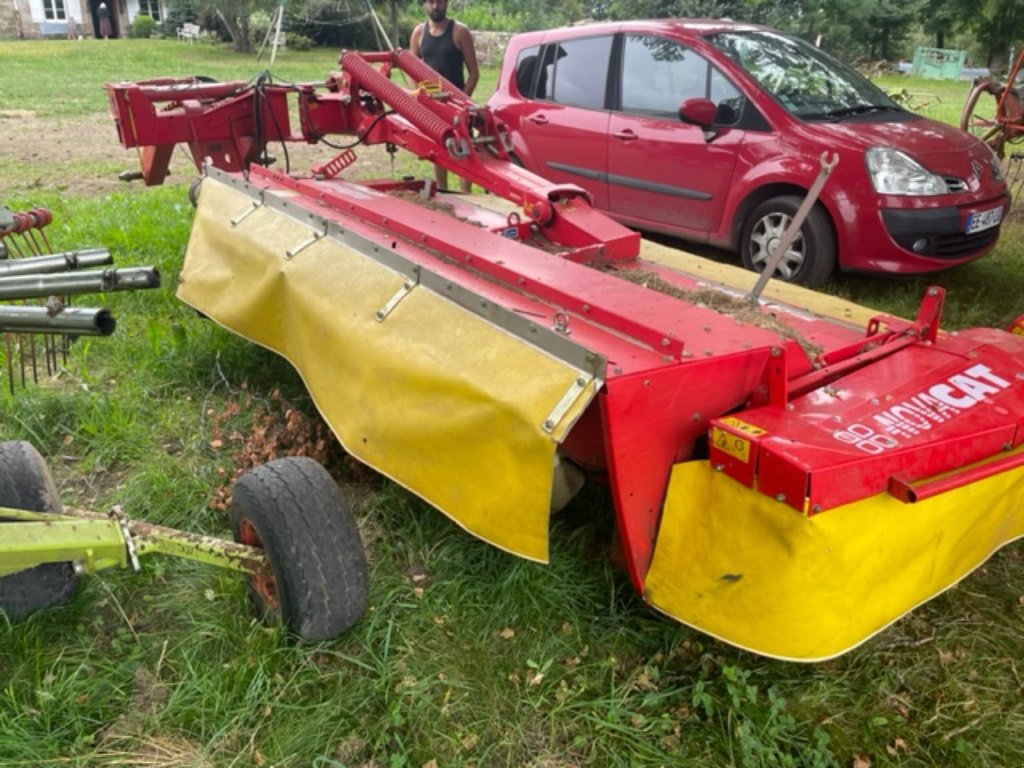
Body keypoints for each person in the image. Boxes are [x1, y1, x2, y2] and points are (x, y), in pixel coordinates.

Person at [410, 0, 479, 193]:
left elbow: (474, 72)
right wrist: (419, 99)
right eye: (430, 2)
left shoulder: (459, 32)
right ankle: (443, 193)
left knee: (464, 155)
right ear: (424, 4)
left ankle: (468, 200)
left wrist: (463, 102)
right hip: (433, 107)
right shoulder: (418, 34)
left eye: (439, 1)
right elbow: (411, 69)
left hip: (457, 107)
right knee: (439, 153)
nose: (435, 6)